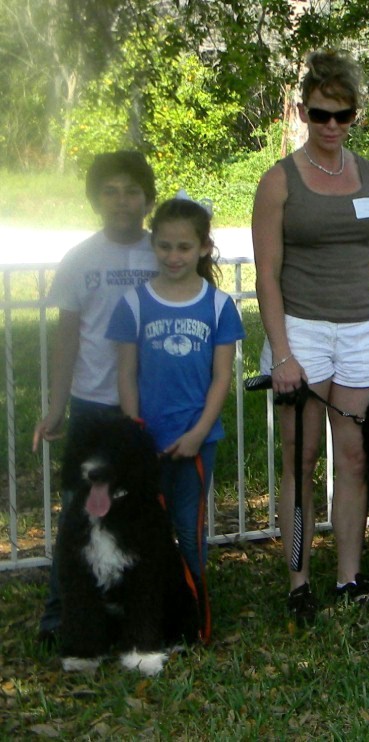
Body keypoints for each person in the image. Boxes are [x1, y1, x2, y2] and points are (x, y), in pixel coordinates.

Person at [252, 50, 369, 623]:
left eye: (343, 116)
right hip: (302, 330)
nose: (332, 127)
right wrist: (283, 353)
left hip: (362, 330)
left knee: (355, 458)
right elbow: (265, 275)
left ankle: (348, 575)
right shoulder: (279, 182)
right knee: (302, 458)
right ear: (303, 112)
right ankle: (298, 578)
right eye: (321, 115)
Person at [33, 150, 159, 644]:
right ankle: (58, 615)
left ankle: (153, 603)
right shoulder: (80, 259)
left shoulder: (162, 250)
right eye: (110, 191)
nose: (122, 201)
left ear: (148, 199)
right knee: (78, 516)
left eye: (131, 191)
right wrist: (57, 406)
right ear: (95, 199)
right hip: (92, 404)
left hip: (147, 406)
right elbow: (66, 339)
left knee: (146, 511)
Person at [107, 197, 244, 640]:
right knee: (144, 532)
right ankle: (143, 619)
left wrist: (199, 432)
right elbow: (126, 374)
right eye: (164, 246)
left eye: (184, 247)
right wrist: (134, 433)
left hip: (195, 444)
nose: (173, 256)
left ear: (204, 248)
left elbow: (221, 378)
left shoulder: (219, 307)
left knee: (190, 530)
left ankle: (192, 621)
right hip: (147, 443)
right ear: (153, 245)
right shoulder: (133, 304)